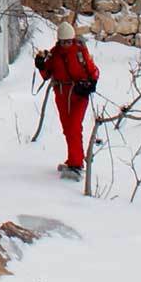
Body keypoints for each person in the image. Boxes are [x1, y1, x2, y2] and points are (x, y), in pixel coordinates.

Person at [34, 19, 101, 179]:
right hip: (62, 93)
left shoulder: (80, 51)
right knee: (67, 128)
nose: (65, 44)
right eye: (63, 42)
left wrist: (92, 83)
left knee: (74, 126)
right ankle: (73, 159)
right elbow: (47, 74)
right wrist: (41, 65)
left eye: (68, 41)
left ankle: (77, 163)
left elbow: (93, 70)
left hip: (79, 93)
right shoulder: (55, 53)